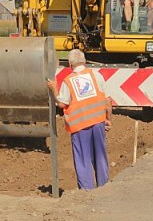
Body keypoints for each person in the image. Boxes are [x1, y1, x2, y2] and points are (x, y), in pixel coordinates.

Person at [46, 49, 113, 190]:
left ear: (70, 64)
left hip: (80, 126)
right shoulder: (96, 76)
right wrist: (107, 118)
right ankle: (104, 188)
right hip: (98, 123)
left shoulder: (69, 81)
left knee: (83, 160)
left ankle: (86, 192)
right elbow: (107, 101)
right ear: (85, 61)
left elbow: (62, 103)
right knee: (100, 156)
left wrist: (54, 89)